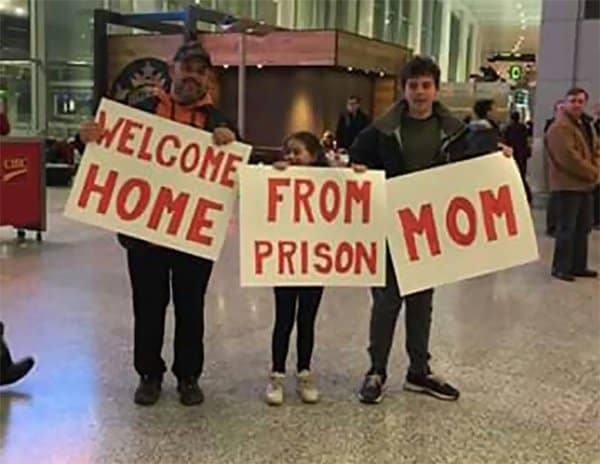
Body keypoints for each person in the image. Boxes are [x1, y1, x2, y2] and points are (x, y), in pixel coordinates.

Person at [79, 41, 237, 406]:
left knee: (190, 308)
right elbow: (107, 152)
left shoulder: (220, 122)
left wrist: (233, 145)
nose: (193, 76)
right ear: (173, 68)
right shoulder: (141, 111)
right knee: (147, 307)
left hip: (191, 238)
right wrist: (86, 139)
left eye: (201, 71)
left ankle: (188, 376)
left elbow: (237, 173)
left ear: (208, 78)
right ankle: (148, 374)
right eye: (188, 68)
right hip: (145, 236)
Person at [350, 55, 512, 405]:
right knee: (386, 302)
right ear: (403, 89)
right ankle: (376, 370)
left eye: (426, 85)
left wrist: (501, 161)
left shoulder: (456, 132)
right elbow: (356, 159)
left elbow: (477, 167)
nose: (420, 92)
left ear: (435, 89)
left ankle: (418, 371)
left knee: (423, 303)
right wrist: (359, 170)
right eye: (413, 85)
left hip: (431, 231)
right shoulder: (381, 130)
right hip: (392, 227)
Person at [264, 132, 329, 406]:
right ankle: (277, 374)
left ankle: (304, 372)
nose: (291, 157)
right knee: (283, 320)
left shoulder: (330, 183)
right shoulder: (278, 178)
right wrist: (271, 173)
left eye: (298, 152)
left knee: (306, 320)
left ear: (313, 156)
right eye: (287, 152)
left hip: (315, 262)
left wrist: (357, 176)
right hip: (286, 262)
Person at [545, 87, 600, 282]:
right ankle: (561, 267)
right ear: (565, 103)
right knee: (566, 228)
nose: (577, 104)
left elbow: (595, 149)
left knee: (583, 227)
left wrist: (595, 170)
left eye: (580, 101)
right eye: (573, 101)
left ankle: (578, 265)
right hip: (567, 185)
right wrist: (592, 172)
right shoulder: (559, 127)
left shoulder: (586, 125)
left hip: (584, 185)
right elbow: (568, 158)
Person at [504, 111, 533, 203]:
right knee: (522, 174)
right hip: (522, 153)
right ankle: (527, 195)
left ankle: (519, 194)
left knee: (514, 174)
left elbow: (506, 140)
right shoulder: (523, 127)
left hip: (513, 153)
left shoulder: (508, 128)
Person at [545, 100, 565, 236]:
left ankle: (558, 225)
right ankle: (552, 226)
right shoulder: (553, 126)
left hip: (564, 171)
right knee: (555, 198)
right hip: (556, 167)